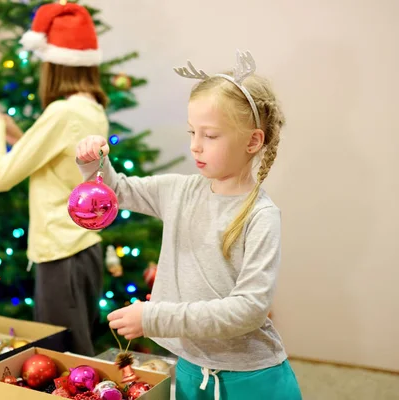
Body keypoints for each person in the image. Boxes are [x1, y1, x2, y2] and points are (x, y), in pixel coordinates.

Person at [76, 51, 302, 399]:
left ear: (253, 141)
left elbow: (249, 309)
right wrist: (93, 163)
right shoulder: (178, 191)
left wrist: (154, 317)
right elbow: (116, 191)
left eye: (210, 136)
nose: (195, 145)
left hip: (252, 379)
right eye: (192, 132)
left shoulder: (261, 216)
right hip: (191, 368)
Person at [0, 2, 108, 357]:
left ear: (55, 65)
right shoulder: (91, 109)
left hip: (61, 253)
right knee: (74, 352)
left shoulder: (62, 112)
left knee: (62, 357)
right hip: (83, 248)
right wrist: (17, 137)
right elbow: (56, 159)